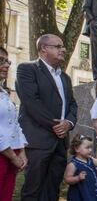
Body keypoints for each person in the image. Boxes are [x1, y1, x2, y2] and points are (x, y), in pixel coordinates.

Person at [16, 34, 78, 201]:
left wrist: (68, 124)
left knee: (53, 190)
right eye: (58, 46)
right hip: (38, 141)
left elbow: (72, 104)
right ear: (44, 49)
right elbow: (31, 103)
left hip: (60, 143)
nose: (63, 49)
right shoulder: (27, 69)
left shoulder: (65, 77)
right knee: (33, 190)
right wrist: (56, 125)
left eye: (62, 46)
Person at [0, 47, 28, 201]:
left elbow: (14, 124)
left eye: (7, 61)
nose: (6, 65)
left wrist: (22, 151)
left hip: (11, 156)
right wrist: (13, 156)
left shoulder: (4, 93)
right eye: (1, 60)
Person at [64, 134, 97, 201]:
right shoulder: (73, 164)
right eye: (87, 147)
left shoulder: (90, 159)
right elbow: (67, 179)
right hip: (81, 194)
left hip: (93, 191)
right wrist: (78, 178)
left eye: (91, 147)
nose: (90, 150)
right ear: (77, 148)